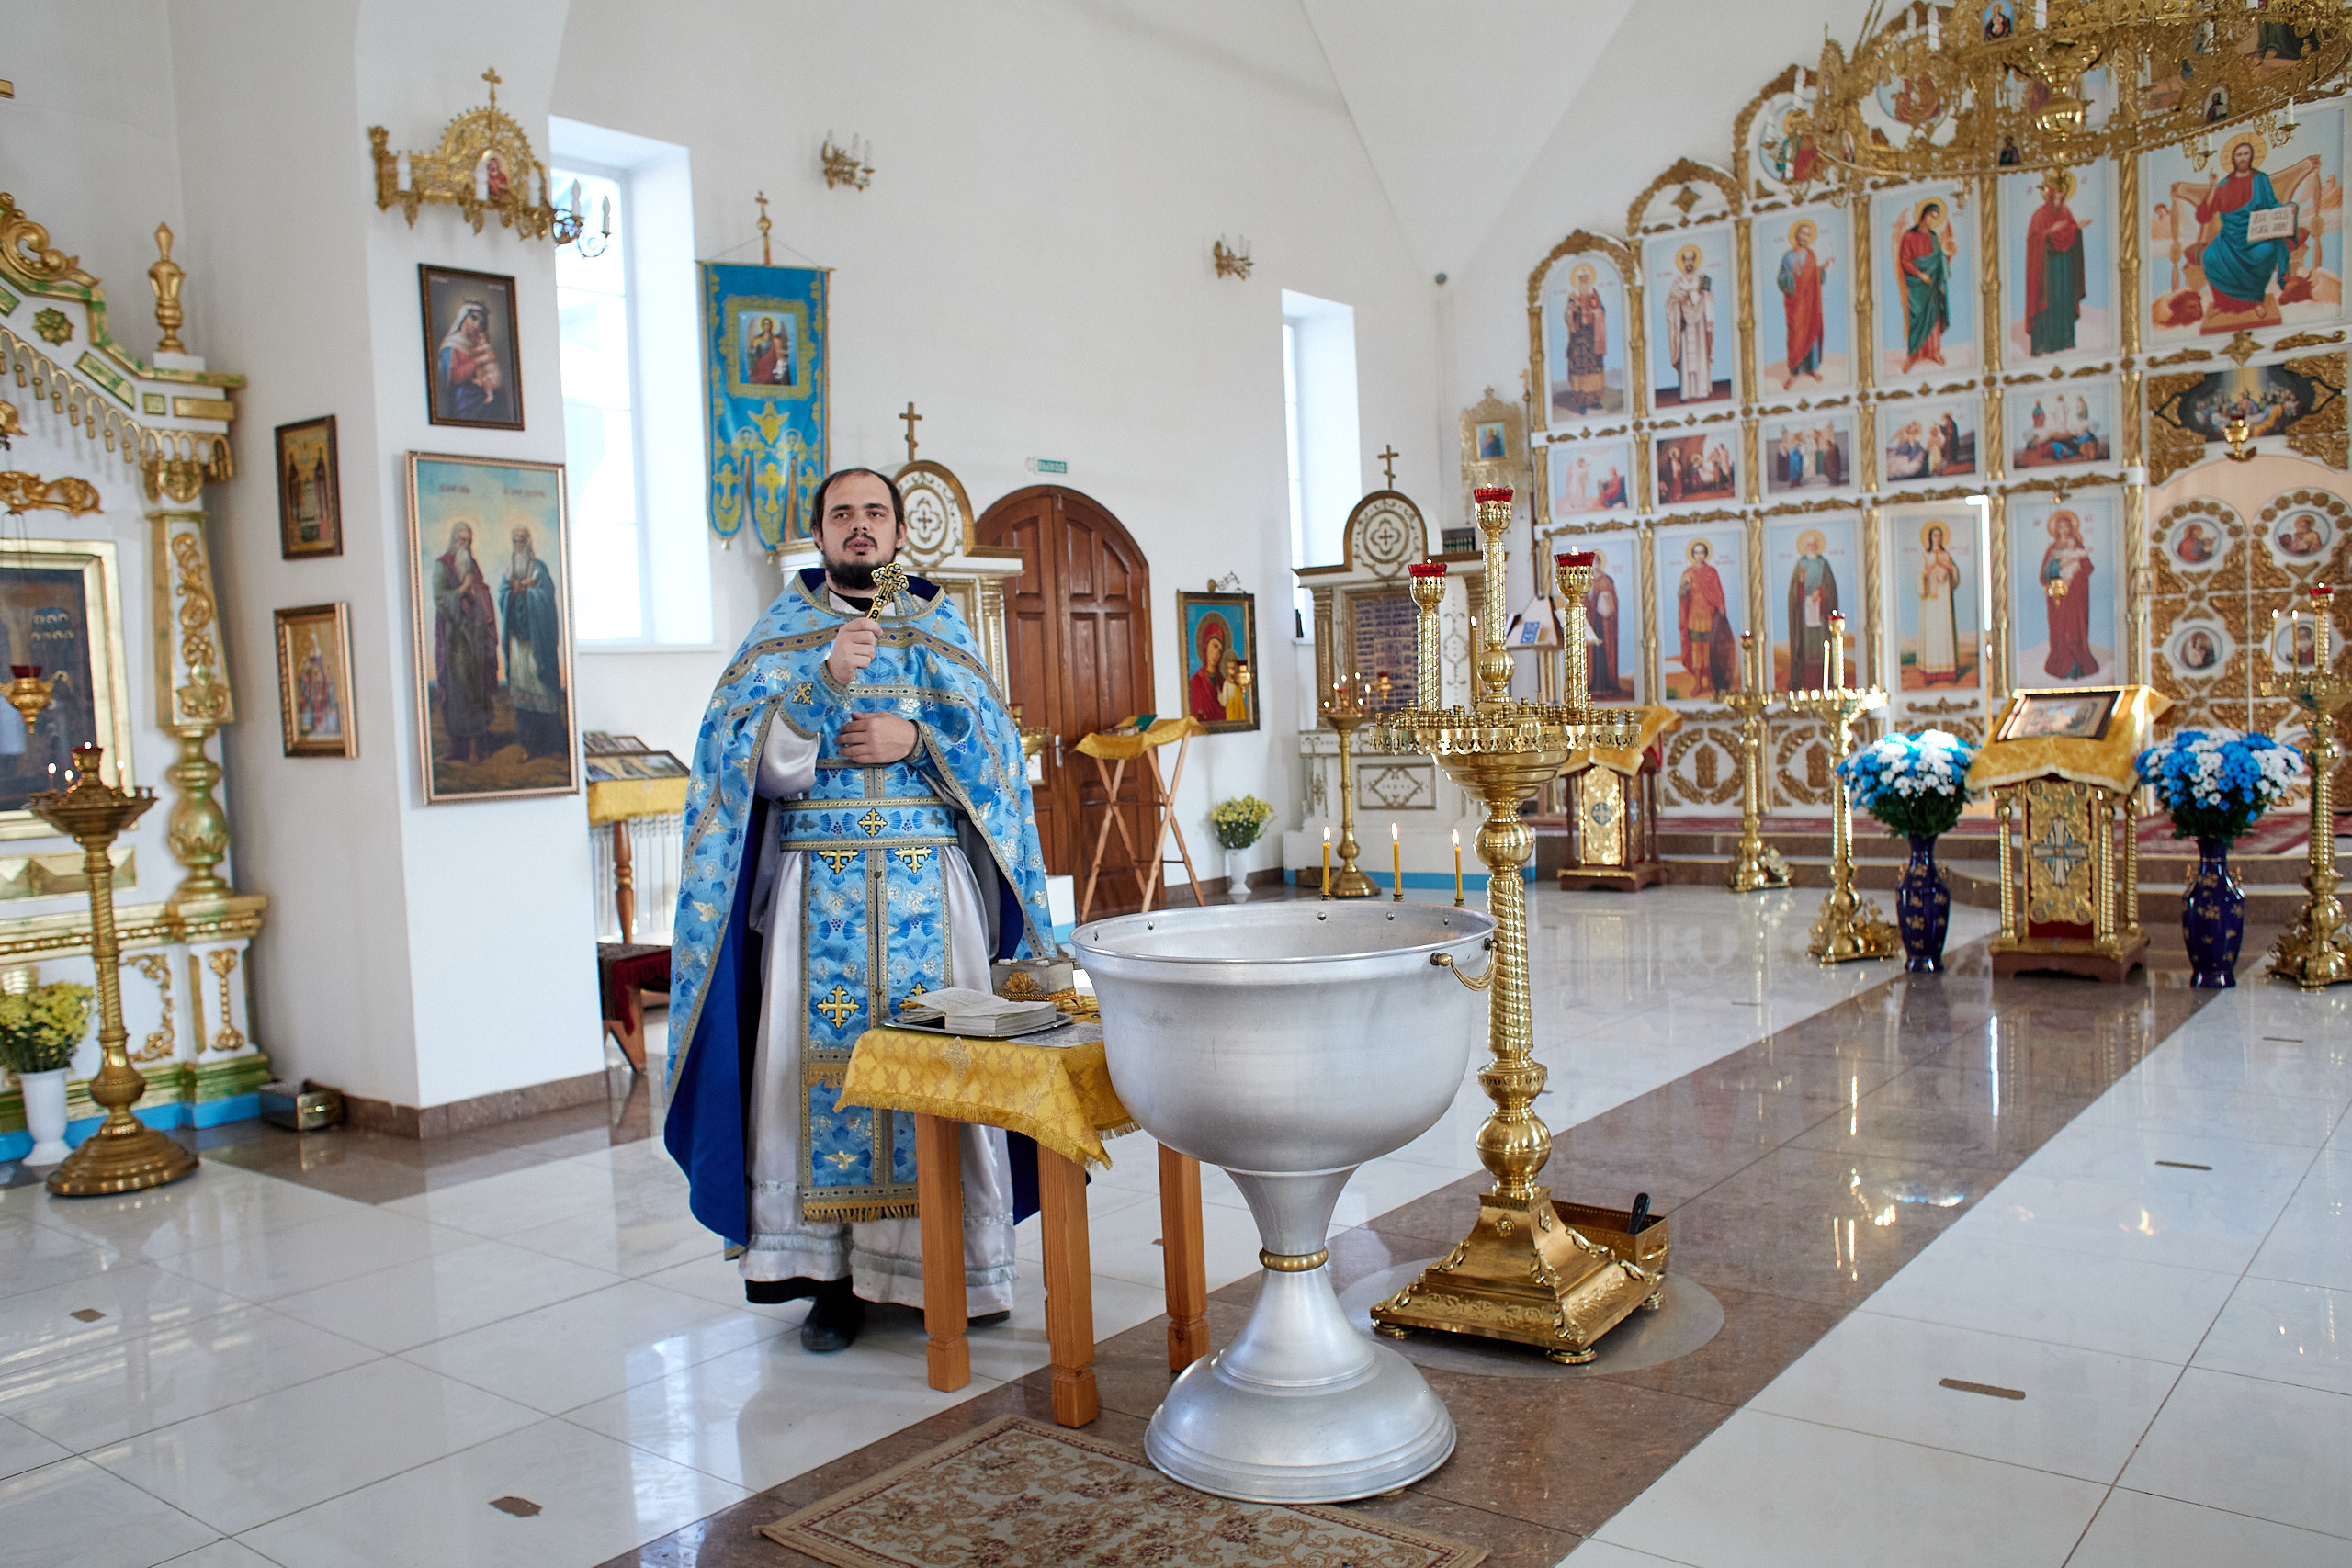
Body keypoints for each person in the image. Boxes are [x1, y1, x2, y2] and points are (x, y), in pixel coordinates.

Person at [666, 468, 1054, 1354]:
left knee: (943, 1067)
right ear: (821, 533)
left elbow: (997, 755)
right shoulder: (780, 634)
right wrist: (824, 683)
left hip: (927, 880)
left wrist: (914, 738)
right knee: (818, 1078)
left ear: (896, 529)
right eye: (842, 514)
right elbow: (736, 767)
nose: (860, 527)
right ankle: (830, 1279)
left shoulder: (938, 624)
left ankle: (950, 1264)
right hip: (816, 890)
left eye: (874, 512)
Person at [432, 521, 498, 762]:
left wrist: (476, 592)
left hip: (476, 636)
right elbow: (439, 598)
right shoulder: (443, 566)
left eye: (469, 541)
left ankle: (478, 742)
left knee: (477, 689)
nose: (466, 545)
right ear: (453, 540)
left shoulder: (472, 565)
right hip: (455, 639)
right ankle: (461, 746)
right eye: (462, 540)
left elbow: (483, 591)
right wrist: (462, 591)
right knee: (459, 690)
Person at [501, 525, 566, 759]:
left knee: (543, 691)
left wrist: (530, 590)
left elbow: (547, 596)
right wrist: (512, 592)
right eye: (514, 539)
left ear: (528, 542)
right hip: (519, 643)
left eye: (521, 539)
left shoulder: (539, 568)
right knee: (523, 695)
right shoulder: (509, 568)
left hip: (538, 643)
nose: (518, 543)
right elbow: (502, 595)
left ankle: (552, 746)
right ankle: (529, 746)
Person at [2024, 171, 2091, 355]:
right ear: (2051, 193)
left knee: (2063, 299)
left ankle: (2064, 339)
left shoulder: (2066, 211)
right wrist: (2050, 231)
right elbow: (2033, 240)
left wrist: (2077, 228)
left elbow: (2068, 232)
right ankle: (2044, 343)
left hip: (2063, 266)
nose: (2060, 197)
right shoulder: (2039, 215)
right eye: (2058, 193)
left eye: (2063, 194)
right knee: (2048, 300)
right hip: (2046, 269)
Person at [1896, 200, 1955, 373]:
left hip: (1932, 286)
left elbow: (1938, 261)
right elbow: (1904, 260)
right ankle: (1913, 355)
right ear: (1923, 214)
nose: (1932, 220)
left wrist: (1948, 255)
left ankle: (1934, 352)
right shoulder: (1909, 236)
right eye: (1931, 216)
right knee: (1916, 320)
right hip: (1917, 286)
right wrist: (1920, 274)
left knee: (1934, 319)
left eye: (1935, 218)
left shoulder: (1933, 237)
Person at [2041, 509, 2099, 679]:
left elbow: (2088, 567)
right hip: (2058, 597)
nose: (2064, 530)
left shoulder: (2078, 546)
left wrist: (2075, 574)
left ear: (2072, 528)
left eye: (2067, 526)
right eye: (2060, 527)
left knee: (2075, 628)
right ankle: (2062, 665)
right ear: (2056, 530)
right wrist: (2054, 573)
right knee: (2060, 629)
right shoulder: (2052, 549)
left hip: (2075, 596)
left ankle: (2078, 665)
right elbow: (2043, 574)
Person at [1678, 539, 1737, 697]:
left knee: (1710, 651)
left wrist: (1721, 609)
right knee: (1697, 650)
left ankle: (1711, 682)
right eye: (1696, 553)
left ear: (1706, 554)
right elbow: (1681, 596)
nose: (1699, 556)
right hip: (1693, 617)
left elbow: (1718, 593)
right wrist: (1686, 586)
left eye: (1702, 552)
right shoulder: (1687, 573)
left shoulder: (1712, 572)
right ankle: (1698, 683)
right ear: (1693, 555)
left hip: (1709, 617)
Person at [1778, 220, 1832, 389]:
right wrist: (1792, 275)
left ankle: (1812, 368)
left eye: (1808, 234)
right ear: (1796, 235)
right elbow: (1781, 280)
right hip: (1796, 304)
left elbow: (1813, 277)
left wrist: (1821, 269)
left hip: (1810, 303)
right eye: (1802, 233)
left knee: (1812, 332)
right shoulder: (1788, 256)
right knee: (1796, 335)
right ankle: (1794, 372)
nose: (1805, 237)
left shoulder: (1811, 255)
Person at [435, 300, 508, 423]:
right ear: (463, 317)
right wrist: (477, 361)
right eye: (474, 318)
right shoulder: (451, 345)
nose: (477, 325)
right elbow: (453, 377)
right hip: (465, 400)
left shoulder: (477, 344)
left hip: (483, 398)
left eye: (481, 322)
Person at [1784, 531, 1839, 689]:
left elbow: (1830, 588)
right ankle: (1805, 683)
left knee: (1823, 647)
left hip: (1821, 613)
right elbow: (1795, 591)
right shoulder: (1800, 564)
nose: (1811, 547)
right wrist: (1801, 583)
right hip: (1805, 615)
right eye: (1808, 545)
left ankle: (1825, 683)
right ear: (1804, 547)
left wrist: (1820, 593)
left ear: (1817, 546)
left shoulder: (1824, 564)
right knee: (1806, 648)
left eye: (1813, 544)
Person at [1664, 245, 1715, 404]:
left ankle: (1701, 389)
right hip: (1684, 324)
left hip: (1699, 324)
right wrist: (1680, 301)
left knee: (1700, 354)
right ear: (1683, 262)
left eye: (1691, 260)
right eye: (1686, 260)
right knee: (1686, 358)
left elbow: (1709, 298)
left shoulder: (1701, 279)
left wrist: (1702, 297)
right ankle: (1686, 391)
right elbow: (1670, 303)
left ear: (1694, 260)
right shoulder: (1677, 282)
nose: (1689, 263)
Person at [1562, 264, 1609, 414]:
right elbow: (1567, 315)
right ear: (1577, 280)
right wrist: (1573, 310)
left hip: (1592, 337)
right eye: (1581, 278)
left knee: (1594, 368)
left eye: (1586, 278)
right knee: (1580, 369)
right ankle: (1581, 401)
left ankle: (1594, 400)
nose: (1583, 281)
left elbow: (1602, 311)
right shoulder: (1573, 295)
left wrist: (1595, 311)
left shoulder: (1594, 293)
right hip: (1578, 338)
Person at [1917, 525, 1961, 684]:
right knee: (1932, 632)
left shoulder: (1946, 555)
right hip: (1930, 602)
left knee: (1945, 631)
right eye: (1935, 535)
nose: (1937, 538)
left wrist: (1949, 569)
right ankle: (1931, 673)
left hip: (1944, 601)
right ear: (1930, 538)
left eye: (1940, 535)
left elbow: (1955, 575)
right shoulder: (1925, 556)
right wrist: (1927, 573)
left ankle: (1948, 673)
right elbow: (1919, 575)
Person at [1587, 548, 1623, 700]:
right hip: (1592, 621)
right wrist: (1590, 598)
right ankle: (1592, 683)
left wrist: (1606, 600)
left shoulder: (1607, 580)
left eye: (1596, 562)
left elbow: (1614, 601)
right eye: (1592, 562)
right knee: (1593, 652)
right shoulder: (1585, 580)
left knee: (1605, 652)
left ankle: (1608, 683)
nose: (1595, 564)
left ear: (1600, 563)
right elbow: (1582, 602)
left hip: (1606, 624)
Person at [1190, 615, 1233, 722]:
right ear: (1206, 645)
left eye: (1220, 650)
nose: (1217, 654)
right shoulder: (1197, 681)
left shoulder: (1223, 681)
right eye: (1214, 646)